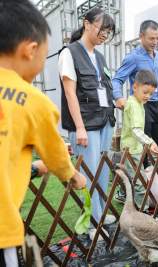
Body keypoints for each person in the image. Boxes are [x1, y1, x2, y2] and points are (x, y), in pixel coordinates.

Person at [0, 0, 85, 264]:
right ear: (31, 49)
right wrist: (70, 174)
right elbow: (56, 154)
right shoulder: (33, 101)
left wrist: (34, 168)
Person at [58, 7, 116, 240]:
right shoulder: (69, 53)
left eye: (109, 32)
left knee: (102, 171)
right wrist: (80, 127)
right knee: (89, 173)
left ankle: (101, 214)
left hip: (104, 121)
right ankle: (93, 222)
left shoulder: (100, 57)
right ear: (87, 23)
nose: (105, 34)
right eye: (103, 28)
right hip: (85, 124)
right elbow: (70, 94)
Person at [112, 20, 158, 151]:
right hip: (141, 106)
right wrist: (118, 97)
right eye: (151, 38)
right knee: (145, 146)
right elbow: (116, 80)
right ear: (141, 36)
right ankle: (144, 171)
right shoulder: (133, 57)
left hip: (157, 106)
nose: (155, 42)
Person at [116, 70, 158, 203]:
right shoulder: (134, 105)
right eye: (145, 92)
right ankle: (143, 210)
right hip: (131, 150)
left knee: (131, 176)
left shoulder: (137, 102)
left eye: (151, 94)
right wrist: (150, 142)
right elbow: (136, 130)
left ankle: (125, 195)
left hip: (133, 148)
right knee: (139, 180)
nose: (148, 96)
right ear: (135, 87)